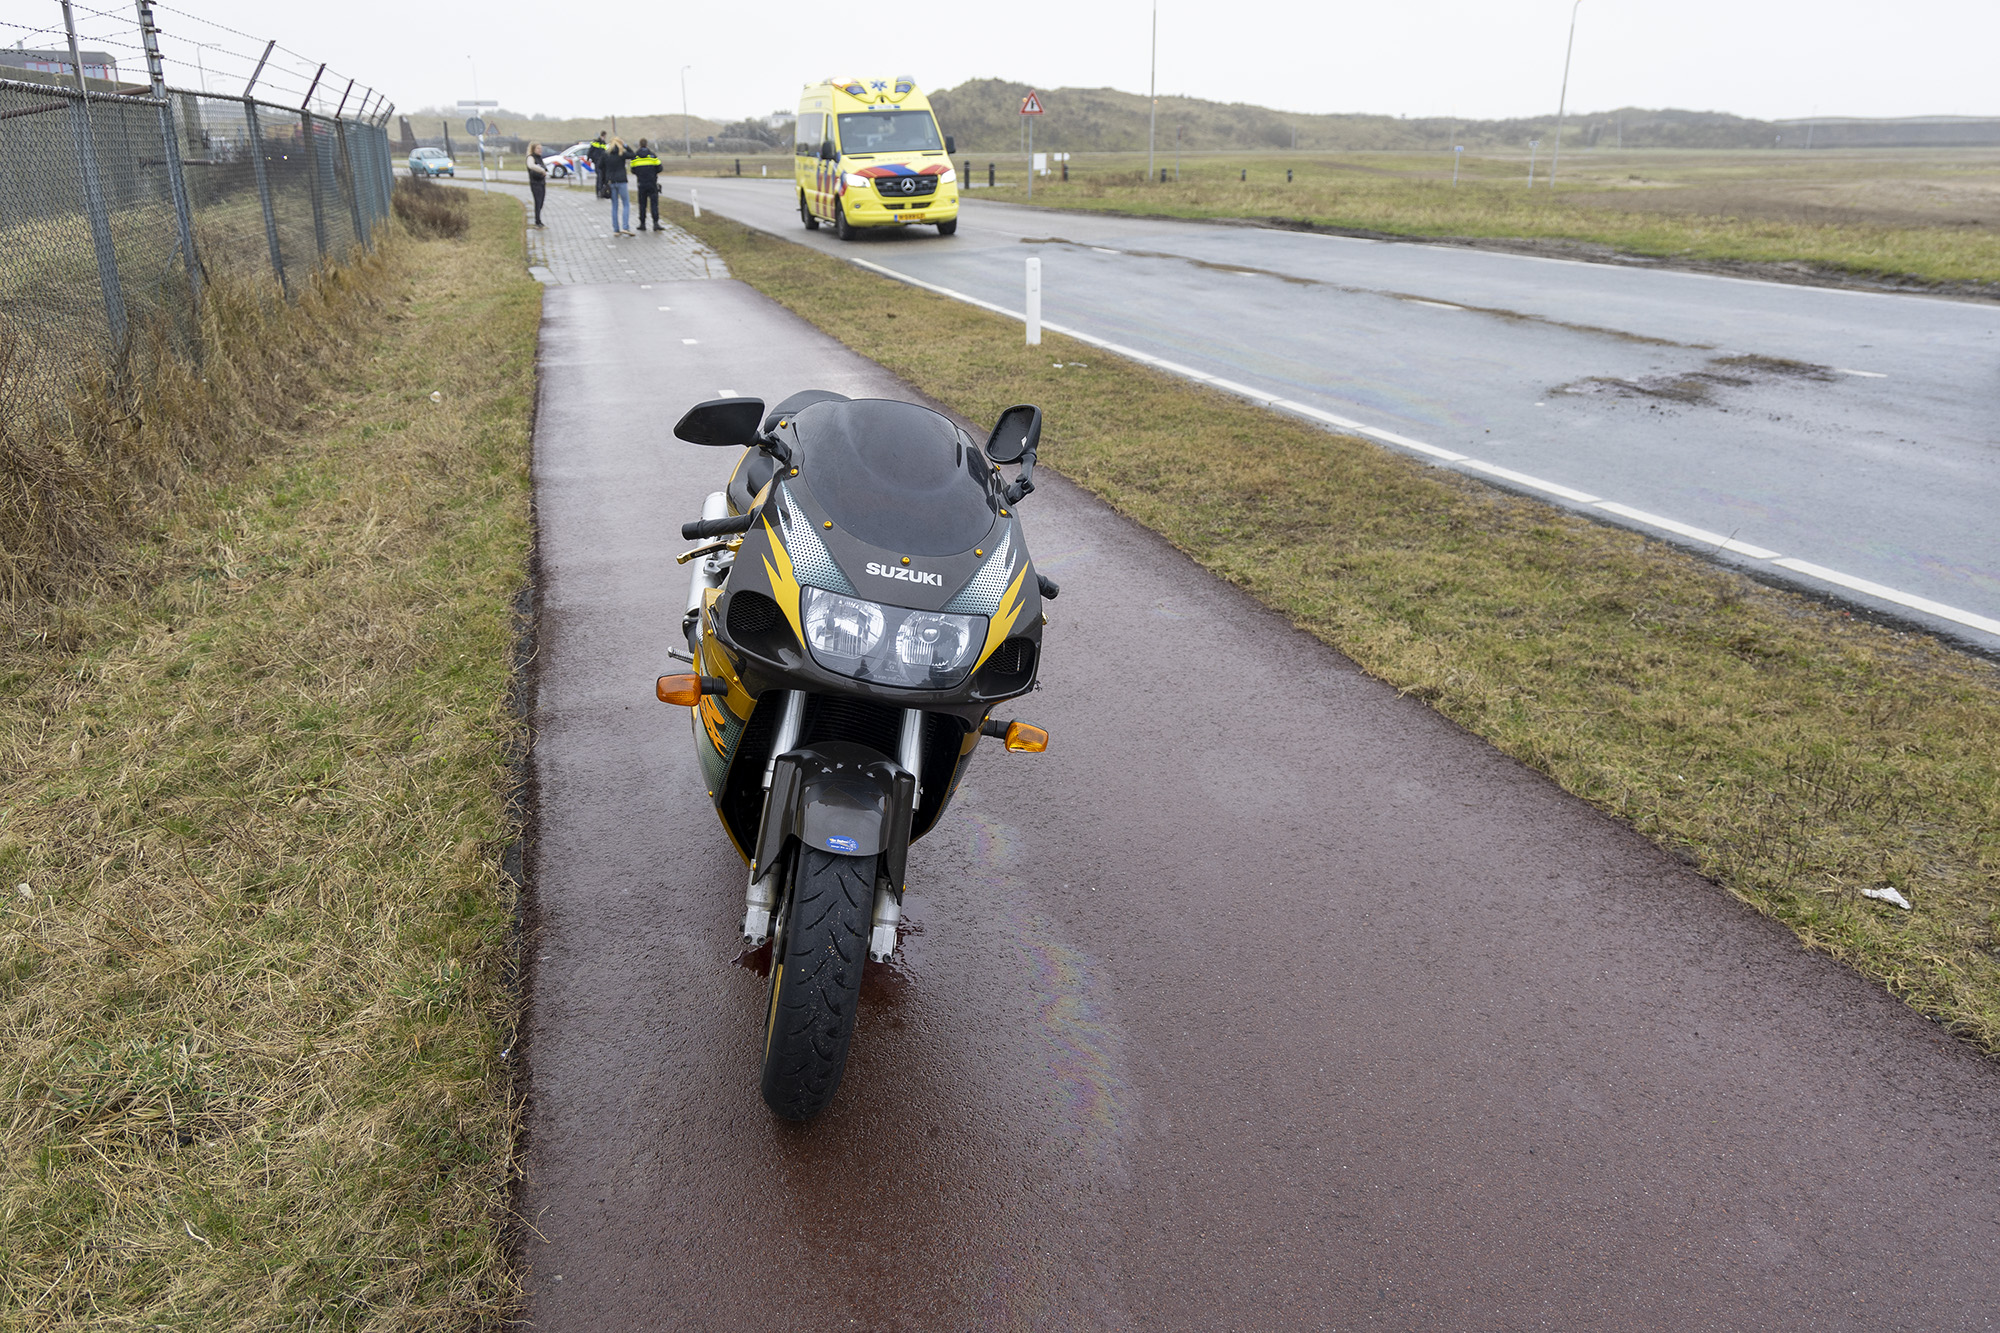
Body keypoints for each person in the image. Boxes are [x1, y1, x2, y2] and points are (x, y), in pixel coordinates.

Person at [601, 136, 634, 236]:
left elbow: (599, 166)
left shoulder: (606, 154)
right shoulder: (621, 154)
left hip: (611, 182)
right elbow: (633, 154)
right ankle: (625, 227)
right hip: (621, 181)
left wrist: (606, 177)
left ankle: (616, 229)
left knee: (614, 206)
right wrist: (625, 145)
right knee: (626, 204)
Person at [629, 139, 663, 231]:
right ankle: (655, 223)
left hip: (641, 183)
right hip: (652, 183)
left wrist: (641, 174)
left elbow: (632, 170)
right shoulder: (652, 155)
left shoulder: (635, 157)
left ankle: (642, 224)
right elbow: (660, 168)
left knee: (642, 204)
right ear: (647, 145)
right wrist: (652, 173)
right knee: (654, 204)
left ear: (639, 145)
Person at [526, 142, 548, 227]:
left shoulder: (539, 158)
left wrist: (544, 170)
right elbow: (531, 166)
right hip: (535, 183)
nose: (540, 150)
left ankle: (538, 219)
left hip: (542, 182)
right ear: (533, 149)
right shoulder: (531, 158)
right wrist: (542, 171)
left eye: (541, 148)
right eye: (538, 148)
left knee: (541, 202)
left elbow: (544, 167)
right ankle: (537, 221)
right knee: (538, 202)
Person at [587, 131, 609, 200]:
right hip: (597, 162)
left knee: (604, 178)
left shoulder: (604, 144)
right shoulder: (595, 142)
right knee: (599, 177)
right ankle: (599, 192)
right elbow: (590, 151)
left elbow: (605, 153)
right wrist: (590, 158)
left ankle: (602, 191)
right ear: (603, 135)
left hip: (603, 163)